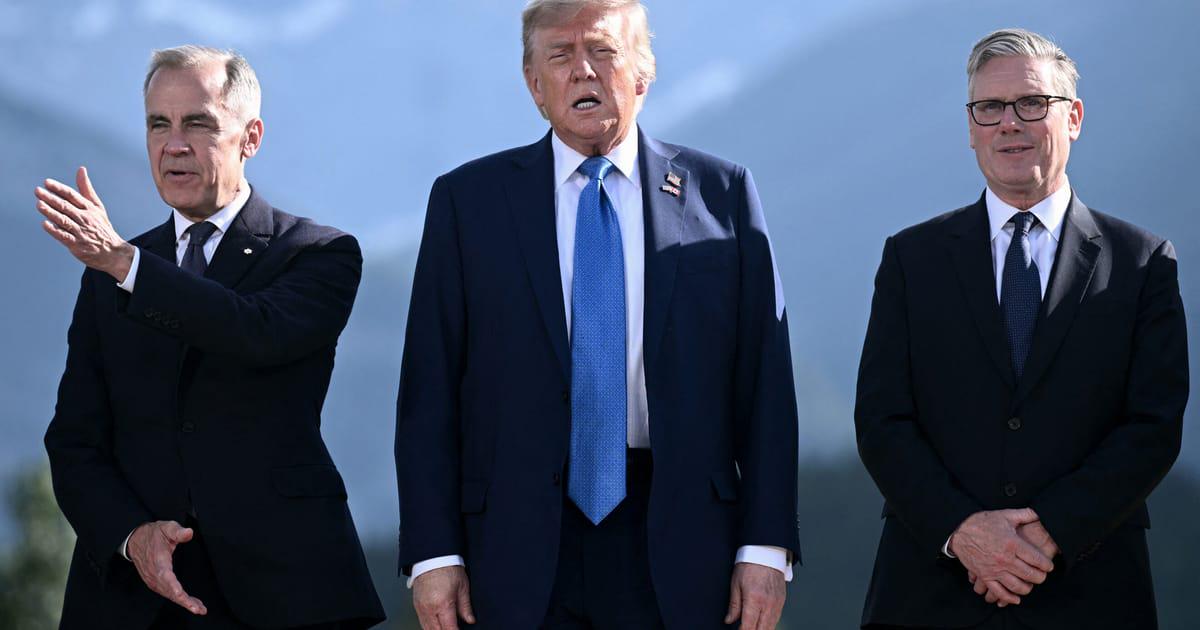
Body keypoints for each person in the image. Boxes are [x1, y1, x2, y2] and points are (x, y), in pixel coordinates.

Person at [395, 1, 801, 627]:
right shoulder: (468, 203)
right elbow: (430, 390)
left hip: (685, 544)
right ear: (534, 85)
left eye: (604, 51)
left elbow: (766, 385)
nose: (583, 70)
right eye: (560, 55)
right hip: (513, 546)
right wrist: (433, 553)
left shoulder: (721, 194)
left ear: (643, 73)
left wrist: (766, 547)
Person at [39, 45, 385, 630]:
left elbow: (254, 330)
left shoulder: (318, 254)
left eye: (197, 124)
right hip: (134, 601)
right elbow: (75, 442)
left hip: (285, 595)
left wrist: (125, 264)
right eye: (159, 124)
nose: (174, 145)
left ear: (250, 138)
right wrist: (131, 536)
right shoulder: (109, 274)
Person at [854, 28, 1187, 630]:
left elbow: (1153, 426)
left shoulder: (1142, 263)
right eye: (989, 107)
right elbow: (882, 421)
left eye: (1032, 103)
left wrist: (1050, 531)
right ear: (971, 126)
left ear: (1074, 117)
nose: (1009, 123)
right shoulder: (911, 259)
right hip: (931, 590)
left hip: (1091, 591)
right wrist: (964, 532)